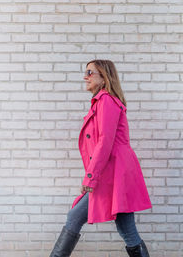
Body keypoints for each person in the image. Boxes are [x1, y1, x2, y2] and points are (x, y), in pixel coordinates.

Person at [49, 60, 152, 257]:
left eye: (90, 72)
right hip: (114, 172)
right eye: (85, 71)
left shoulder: (106, 101)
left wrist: (90, 177)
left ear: (104, 78)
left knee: (74, 217)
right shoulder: (103, 102)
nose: (85, 76)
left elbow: (105, 142)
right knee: (126, 228)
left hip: (114, 173)